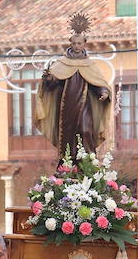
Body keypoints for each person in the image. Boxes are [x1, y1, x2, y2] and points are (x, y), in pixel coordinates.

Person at [34, 14, 112, 157]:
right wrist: (48, 79)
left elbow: (97, 82)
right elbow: (54, 83)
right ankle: (68, 165)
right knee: (68, 135)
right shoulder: (62, 64)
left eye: (79, 43)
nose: (77, 46)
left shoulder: (90, 65)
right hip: (66, 106)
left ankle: (88, 161)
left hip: (84, 104)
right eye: (74, 43)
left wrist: (104, 92)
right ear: (71, 44)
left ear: (84, 44)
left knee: (86, 130)